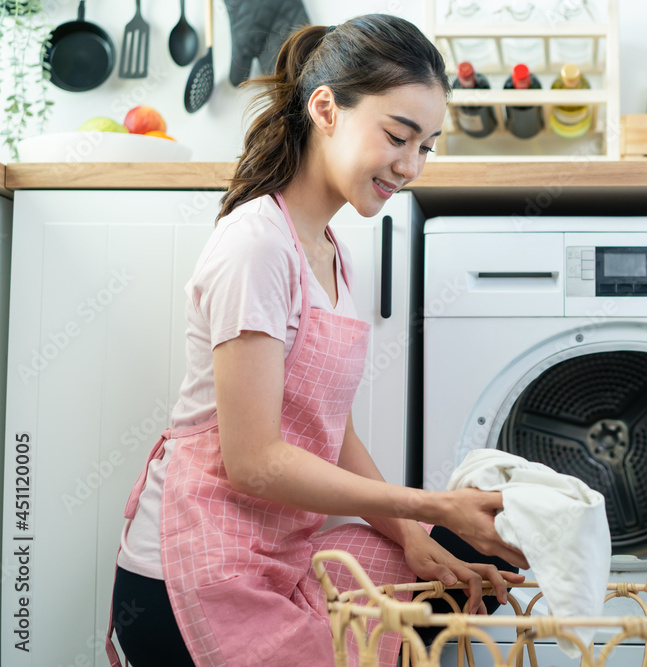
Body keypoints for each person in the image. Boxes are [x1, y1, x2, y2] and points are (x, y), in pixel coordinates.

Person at [106, 15, 527, 667]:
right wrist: (430, 503)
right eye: (398, 136)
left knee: (460, 561)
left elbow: (333, 430)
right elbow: (254, 461)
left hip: (282, 559)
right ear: (325, 108)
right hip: (193, 575)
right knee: (444, 540)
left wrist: (412, 532)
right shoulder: (257, 245)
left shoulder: (333, 253)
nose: (411, 165)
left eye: (428, 147)